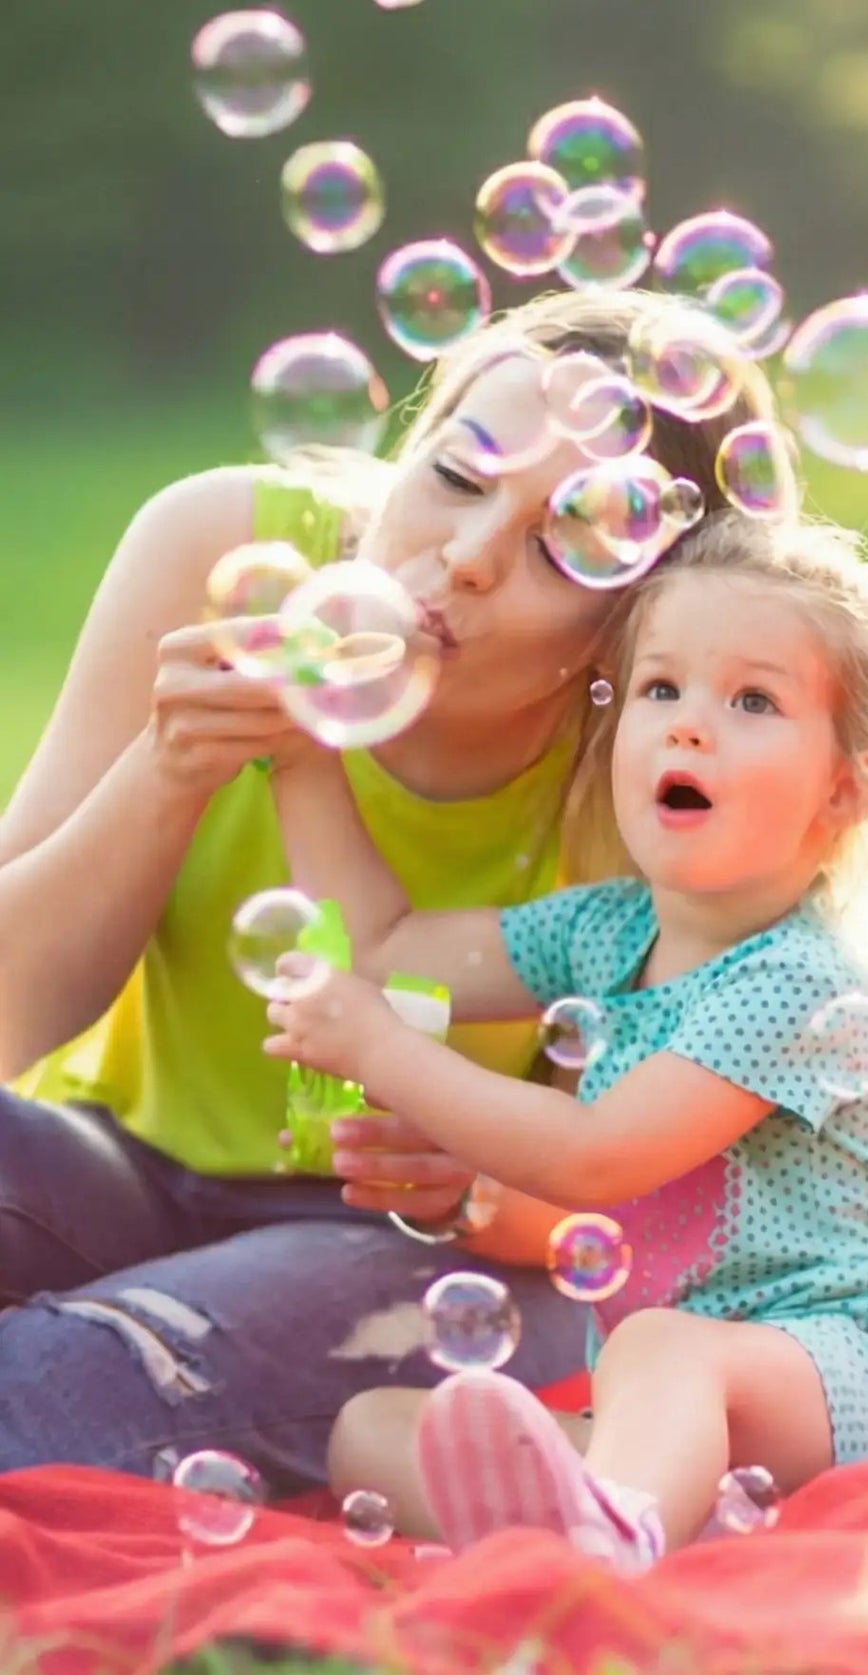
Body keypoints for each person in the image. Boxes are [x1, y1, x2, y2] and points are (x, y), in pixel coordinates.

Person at [0, 288, 774, 1494]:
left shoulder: (656, 754)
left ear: (637, 623)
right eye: (458, 474)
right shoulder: (219, 551)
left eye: (562, 543)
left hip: (429, 1253)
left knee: (64, 1378)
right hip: (120, 1168)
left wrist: (477, 1188)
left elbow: (635, 1203)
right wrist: (168, 767)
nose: (464, 556)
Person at [269, 512, 868, 1564]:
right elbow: (384, 946)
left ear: (844, 787)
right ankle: (633, 1510)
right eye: (661, 688)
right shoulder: (605, 931)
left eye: (752, 700)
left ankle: (610, 1546)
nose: (688, 727)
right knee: (369, 1432)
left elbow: (592, 1155)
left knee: (659, 1345)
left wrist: (380, 1050)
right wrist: (297, 751)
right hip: (676, 1406)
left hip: (858, 1377)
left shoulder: (799, 984)